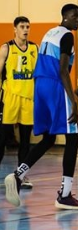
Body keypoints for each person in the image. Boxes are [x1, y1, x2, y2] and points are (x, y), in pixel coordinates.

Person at [4, 4, 78, 210]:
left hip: (39, 85)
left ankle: (18, 174)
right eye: (76, 16)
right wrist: (73, 101)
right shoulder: (67, 36)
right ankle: (65, 195)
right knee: (72, 136)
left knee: (49, 138)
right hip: (55, 85)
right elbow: (62, 70)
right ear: (66, 17)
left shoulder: (50, 32)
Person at [0, 16, 37, 190]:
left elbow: (38, 74)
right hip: (10, 98)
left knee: (25, 140)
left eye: (28, 26)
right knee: (2, 138)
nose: (25, 29)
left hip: (28, 98)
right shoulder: (6, 48)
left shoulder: (34, 48)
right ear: (14, 29)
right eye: (22, 26)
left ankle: (21, 175)